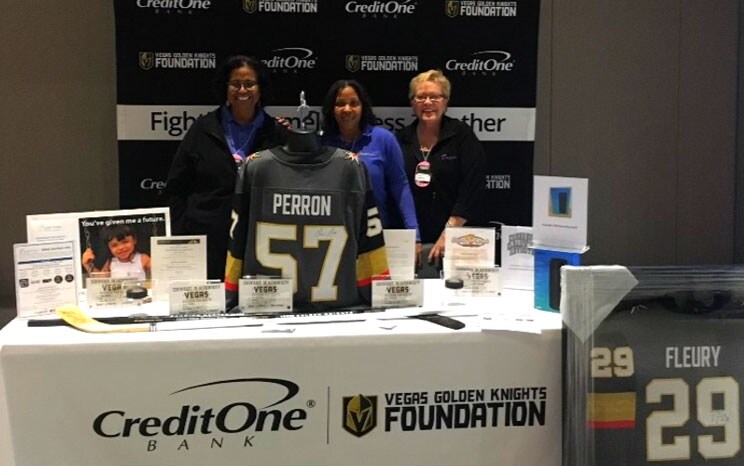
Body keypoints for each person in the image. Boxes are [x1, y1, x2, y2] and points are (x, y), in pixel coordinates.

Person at [165, 55, 287, 280]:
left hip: (261, 242)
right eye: (235, 84)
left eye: (250, 83)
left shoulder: (278, 134)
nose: (243, 90)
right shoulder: (202, 129)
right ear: (225, 88)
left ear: (261, 89)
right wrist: (183, 236)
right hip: (208, 241)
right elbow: (177, 187)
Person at [396, 69, 486, 268]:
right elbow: (395, 190)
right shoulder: (400, 139)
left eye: (435, 96)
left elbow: (473, 185)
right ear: (412, 103)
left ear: (446, 102)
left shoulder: (461, 135)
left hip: (456, 235)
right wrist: (412, 236)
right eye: (421, 97)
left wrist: (449, 233)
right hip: (411, 238)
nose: (428, 102)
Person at [321, 79, 421, 252]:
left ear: (363, 107)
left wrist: (414, 234)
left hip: (375, 236)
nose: (347, 109)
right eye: (340, 103)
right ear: (331, 108)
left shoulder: (384, 139)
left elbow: (400, 187)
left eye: (354, 103)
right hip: (330, 237)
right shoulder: (321, 143)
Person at [82, 224, 151, 279]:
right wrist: (88, 264)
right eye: (114, 245)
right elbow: (101, 281)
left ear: (134, 240)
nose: (120, 247)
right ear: (109, 248)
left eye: (125, 242)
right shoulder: (110, 262)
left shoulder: (143, 259)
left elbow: (160, 273)